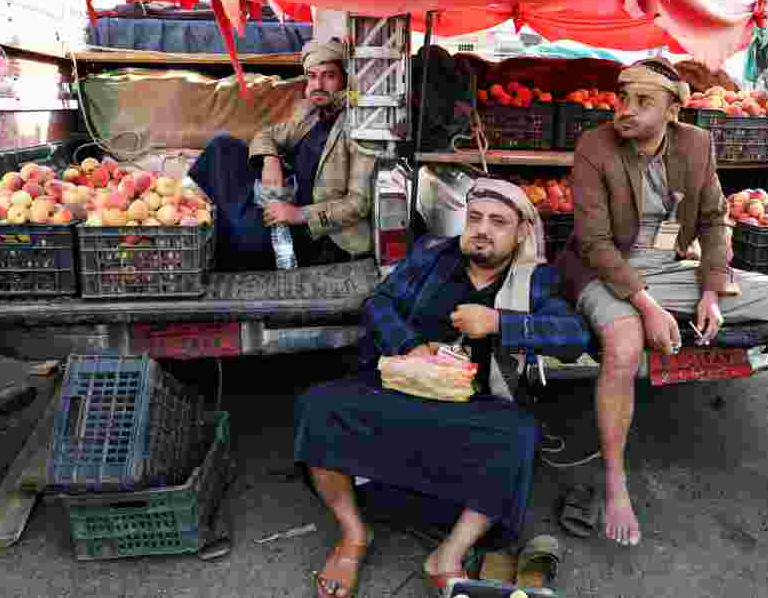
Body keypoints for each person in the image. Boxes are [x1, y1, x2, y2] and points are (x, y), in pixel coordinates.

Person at [293, 179, 591, 597]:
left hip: (474, 404)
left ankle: (448, 556)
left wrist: (500, 323)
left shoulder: (535, 279)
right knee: (318, 407)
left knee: (519, 435)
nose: (482, 229)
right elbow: (380, 303)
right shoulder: (434, 256)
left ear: (522, 231)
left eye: (498, 222)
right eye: (475, 218)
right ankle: (353, 535)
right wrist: (412, 349)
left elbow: (575, 337)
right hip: (401, 387)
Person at [556, 58, 768, 547]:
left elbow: (714, 219)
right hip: (607, 268)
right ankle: (615, 482)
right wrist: (647, 306)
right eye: (623, 99)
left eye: (643, 102)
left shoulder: (696, 143)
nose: (627, 110)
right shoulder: (594, 147)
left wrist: (710, 291)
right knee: (622, 346)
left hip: (670, 268)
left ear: (672, 108)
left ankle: (679, 314)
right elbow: (595, 244)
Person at [188, 38, 375, 270]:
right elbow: (267, 135)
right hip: (283, 194)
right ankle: (233, 223)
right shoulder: (310, 112)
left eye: (329, 76)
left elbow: (358, 203)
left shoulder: (360, 127)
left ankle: (236, 229)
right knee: (222, 147)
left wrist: (297, 214)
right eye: (312, 76)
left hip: (312, 231)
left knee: (238, 232)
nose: (318, 84)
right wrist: (271, 159)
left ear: (345, 80)